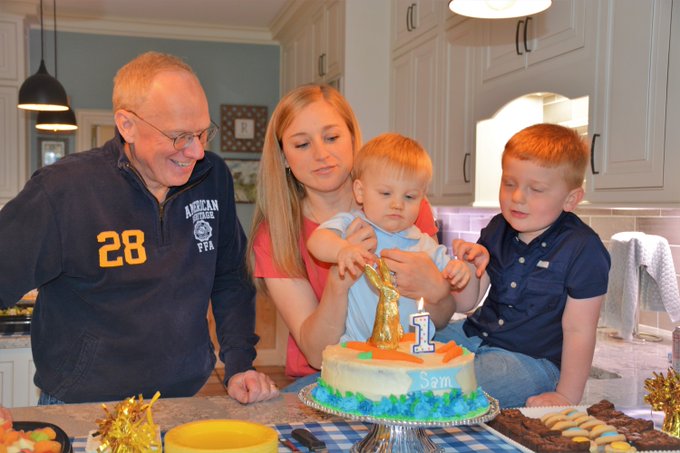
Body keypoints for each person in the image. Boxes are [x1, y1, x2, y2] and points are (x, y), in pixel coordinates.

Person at [0, 51, 278, 405]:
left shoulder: (213, 177)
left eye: (202, 133)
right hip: (84, 406)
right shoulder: (61, 190)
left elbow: (229, 277)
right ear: (127, 125)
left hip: (184, 400)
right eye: (179, 136)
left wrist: (239, 364)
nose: (195, 152)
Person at [248, 84, 460, 390]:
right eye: (301, 144)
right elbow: (316, 353)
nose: (322, 154)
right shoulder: (276, 235)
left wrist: (438, 290)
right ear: (283, 157)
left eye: (332, 137)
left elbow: (439, 319)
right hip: (325, 374)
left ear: (352, 139)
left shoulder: (403, 205)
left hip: (411, 362)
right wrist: (338, 281)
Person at [436, 123, 611, 408]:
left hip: (530, 362)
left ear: (571, 199)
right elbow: (466, 304)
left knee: (453, 387)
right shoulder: (497, 227)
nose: (517, 197)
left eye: (536, 189)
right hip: (471, 336)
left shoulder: (583, 249)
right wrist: (467, 268)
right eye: (509, 183)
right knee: (410, 349)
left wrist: (566, 396)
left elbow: (580, 330)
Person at [306, 133, 476, 343]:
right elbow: (317, 241)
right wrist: (342, 250)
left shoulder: (424, 244)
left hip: (411, 352)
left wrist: (459, 270)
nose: (397, 204)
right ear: (360, 192)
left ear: (422, 199)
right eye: (386, 193)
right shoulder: (353, 226)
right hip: (357, 352)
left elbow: (455, 289)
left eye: (409, 196)